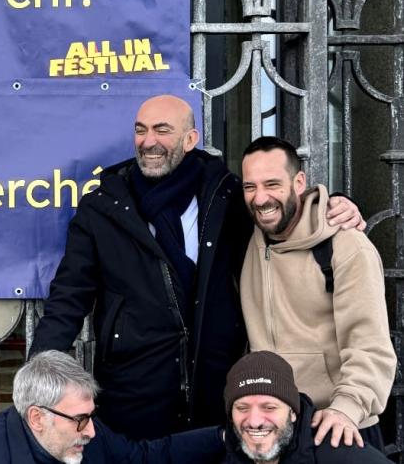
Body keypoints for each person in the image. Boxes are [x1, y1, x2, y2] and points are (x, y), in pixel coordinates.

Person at [29, 94, 363, 439]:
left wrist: (335, 205)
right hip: (133, 393)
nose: (148, 142)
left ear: (190, 139)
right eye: (140, 131)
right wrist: (38, 371)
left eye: (162, 130)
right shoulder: (102, 208)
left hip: (216, 392)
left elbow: (279, 213)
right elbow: (69, 296)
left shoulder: (227, 195)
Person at [239, 136, 395, 451]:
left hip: (338, 427)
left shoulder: (345, 245)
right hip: (273, 428)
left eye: (272, 184)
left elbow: (370, 345)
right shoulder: (253, 235)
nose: (260, 198)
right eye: (250, 187)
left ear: (299, 182)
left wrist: (346, 408)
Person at [0, 350, 225, 464]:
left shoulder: (88, 433)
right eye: (80, 419)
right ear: (37, 417)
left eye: (91, 416)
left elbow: (143, 458)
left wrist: (223, 436)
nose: (91, 430)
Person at [222, 351, 390, 463]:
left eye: (269, 408)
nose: (255, 421)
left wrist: (348, 406)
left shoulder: (341, 456)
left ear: (293, 412)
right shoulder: (224, 447)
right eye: (242, 408)